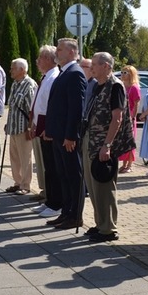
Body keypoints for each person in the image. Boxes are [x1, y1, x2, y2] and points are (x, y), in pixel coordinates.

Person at [83, 52, 127, 242]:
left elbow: (118, 117)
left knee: (104, 186)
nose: (91, 67)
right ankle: (100, 223)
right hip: (90, 141)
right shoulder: (97, 85)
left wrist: (107, 145)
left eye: (95, 64)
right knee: (93, 187)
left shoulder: (115, 86)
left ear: (107, 67)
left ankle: (109, 228)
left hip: (103, 144)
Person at [44, 38, 87, 231]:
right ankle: (66, 212)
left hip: (67, 137)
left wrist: (71, 135)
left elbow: (76, 109)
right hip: (58, 135)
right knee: (63, 175)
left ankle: (75, 215)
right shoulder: (64, 73)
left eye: (59, 50)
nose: (56, 53)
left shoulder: (75, 73)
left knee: (73, 176)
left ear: (71, 52)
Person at [30, 45, 61, 216]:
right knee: (47, 167)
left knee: (52, 167)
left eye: (40, 58)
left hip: (47, 126)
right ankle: (50, 200)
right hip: (41, 124)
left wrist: (46, 127)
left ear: (49, 59)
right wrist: (34, 123)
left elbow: (50, 106)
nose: (37, 61)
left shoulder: (53, 77)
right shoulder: (46, 77)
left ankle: (55, 203)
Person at [5, 58, 37, 195]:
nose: (10, 70)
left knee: (25, 157)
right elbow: (12, 106)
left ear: (22, 70)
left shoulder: (29, 85)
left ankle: (25, 185)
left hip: (24, 128)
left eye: (13, 68)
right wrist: (8, 123)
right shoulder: (15, 84)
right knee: (14, 157)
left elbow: (32, 110)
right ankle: (17, 182)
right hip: (13, 127)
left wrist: (30, 128)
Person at [118, 65, 141, 173]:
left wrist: (132, 117)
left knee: (130, 141)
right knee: (123, 141)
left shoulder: (134, 87)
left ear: (131, 74)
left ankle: (130, 165)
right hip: (122, 117)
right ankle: (124, 164)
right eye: (122, 72)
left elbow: (136, 104)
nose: (122, 74)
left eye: (125, 72)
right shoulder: (121, 86)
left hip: (130, 117)